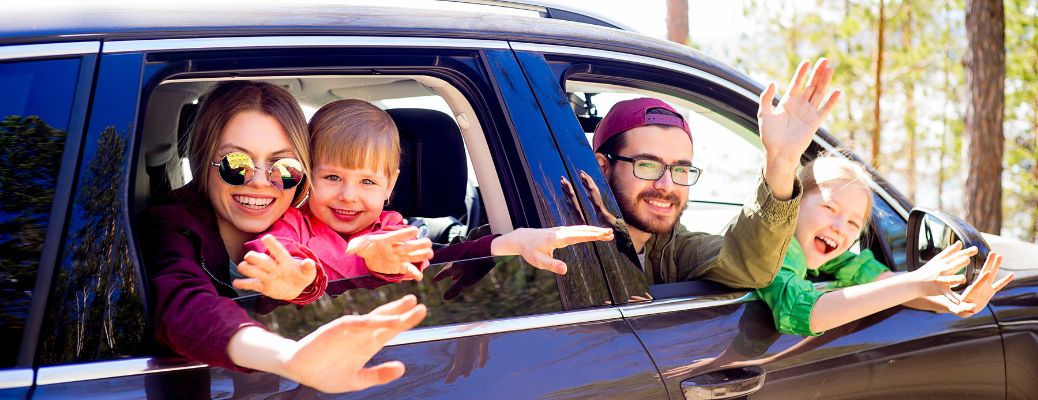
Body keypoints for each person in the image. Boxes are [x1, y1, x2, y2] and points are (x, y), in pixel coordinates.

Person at [140, 81, 425, 394]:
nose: (261, 182)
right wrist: (286, 358)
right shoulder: (171, 224)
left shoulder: (318, 230)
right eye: (237, 164)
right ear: (203, 159)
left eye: (284, 166)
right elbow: (185, 305)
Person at [234, 99, 615, 300]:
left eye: (367, 181)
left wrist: (511, 242)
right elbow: (278, 260)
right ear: (306, 175)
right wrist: (296, 278)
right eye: (332, 177)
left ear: (390, 186)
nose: (348, 195)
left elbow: (439, 258)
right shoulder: (290, 227)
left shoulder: (393, 230)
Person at [590, 59, 841, 288]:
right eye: (647, 165)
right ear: (603, 167)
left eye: (680, 169)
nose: (667, 185)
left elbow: (748, 265)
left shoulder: (671, 248)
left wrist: (782, 161)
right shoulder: (563, 245)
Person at [756, 156, 1014, 336]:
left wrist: (951, 302)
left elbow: (881, 280)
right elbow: (805, 311)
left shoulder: (827, 255)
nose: (839, 227)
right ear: (794, 203)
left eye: (853, 223)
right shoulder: (773, 251)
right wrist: (916, 281)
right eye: (829, 208)